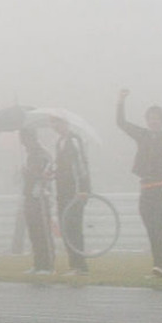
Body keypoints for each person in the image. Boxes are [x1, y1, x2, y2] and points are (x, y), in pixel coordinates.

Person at [116, 88, 162, 278]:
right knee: (151, 227)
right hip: (146, 189)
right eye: (151, 118)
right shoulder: (142, 134)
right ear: (147, 120)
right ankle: (161, 264)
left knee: (161, 227)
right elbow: (121, 123)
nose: (154, 121)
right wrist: (121, 101)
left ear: (161, 121)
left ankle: (159, 267)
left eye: (157, 118)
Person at [52, 118, 91, 275]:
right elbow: (60, 166)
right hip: (62, 191)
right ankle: (73, 264)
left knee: (75, 227)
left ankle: (80, 266)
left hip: (75, 191)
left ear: (66, 123)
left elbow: (82, 164)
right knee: (65, 227)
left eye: (58, 122)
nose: (56, 126)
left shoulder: (75, 140)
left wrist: (84, 188)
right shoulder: (58, 142)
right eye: (53, 123)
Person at [20, 129, 55, 274]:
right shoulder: (30, 154)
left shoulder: (42, 153)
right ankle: (38, 263)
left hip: (40, 196)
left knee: (43, 231)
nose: (24, 144)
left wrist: (27, 172)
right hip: (30, 195)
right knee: (34, 231)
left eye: (25, 140)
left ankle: (48, 265)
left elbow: (43, 174)